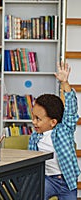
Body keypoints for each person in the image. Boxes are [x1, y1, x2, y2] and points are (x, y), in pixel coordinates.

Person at [28, 61, 80, 200]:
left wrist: (65, 83)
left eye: (38, 119)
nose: (34, 122)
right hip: (46, 180)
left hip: (67, 181)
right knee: (34, 194)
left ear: (53, 122)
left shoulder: (64, 130)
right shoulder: (34, 137)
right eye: (33, 117)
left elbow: (71, 109)